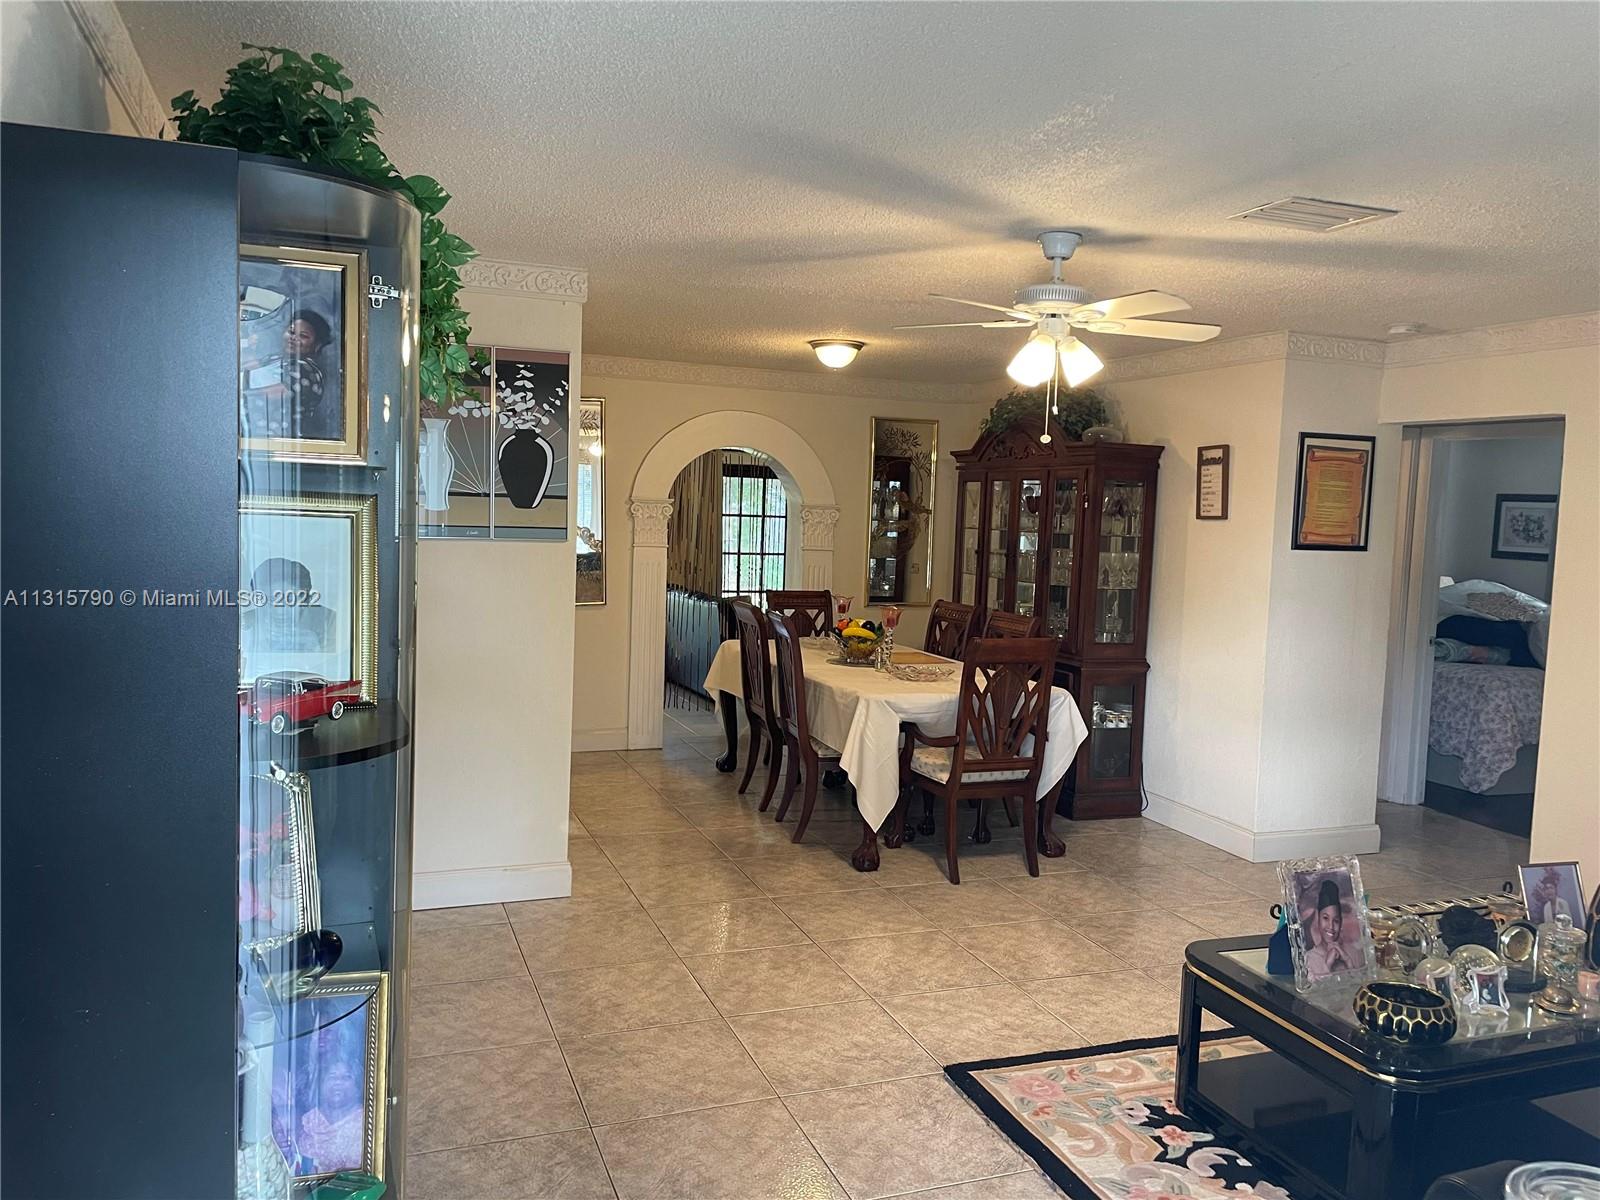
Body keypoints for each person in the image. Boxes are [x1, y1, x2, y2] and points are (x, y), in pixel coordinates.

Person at [1303, 877, 1354, 979]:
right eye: (1325, 918)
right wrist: (1328, 964)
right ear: (1318, 917)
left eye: (1336, 921)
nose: (1331, 926)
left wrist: (1348, 960)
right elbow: (1313, 987)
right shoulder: (1309, 958)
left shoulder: (1351, 952)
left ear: (1341, 923)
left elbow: (1362, 983)